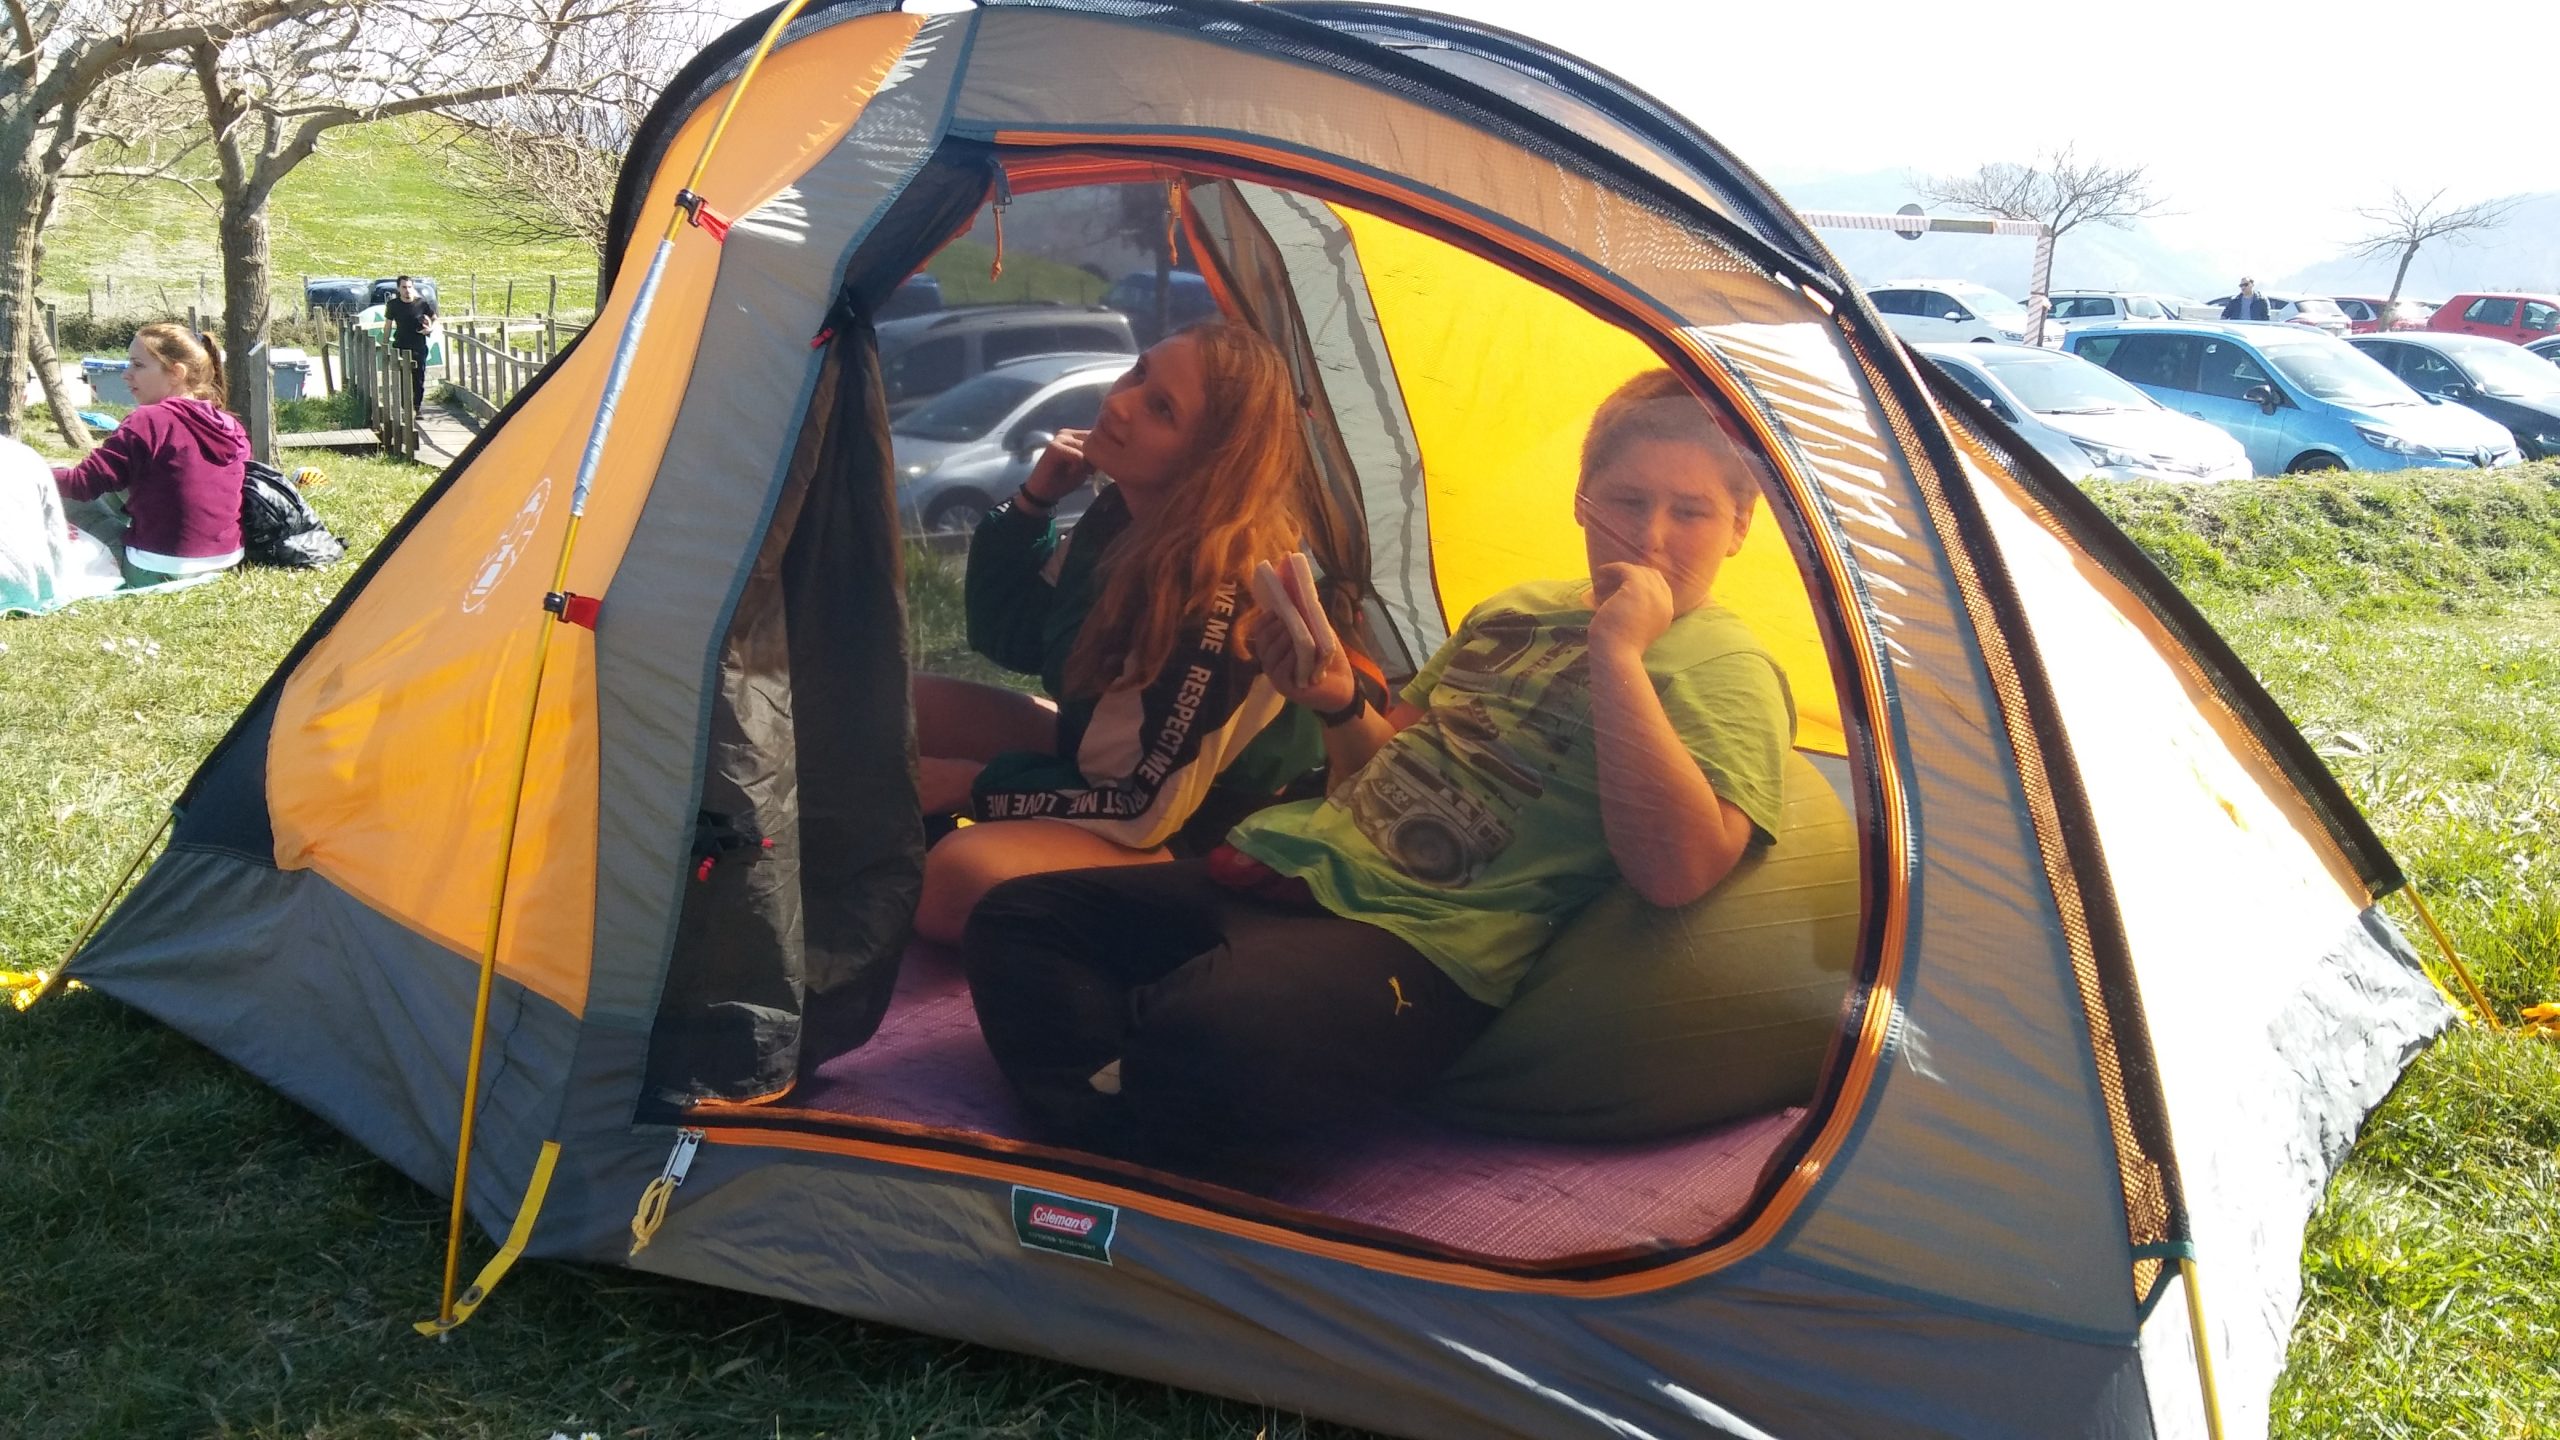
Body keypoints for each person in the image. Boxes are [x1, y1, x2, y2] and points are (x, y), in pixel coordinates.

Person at [963, 369, 1797, 1156]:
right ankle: (1130, 1112)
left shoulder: (1727, 667)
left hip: (1423, 944)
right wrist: (1334, 702)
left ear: (1740, 527)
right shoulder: (1513, 609)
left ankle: (1122, 1091)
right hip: (1299, 868)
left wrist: (1617, 651)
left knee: (1210, 1027)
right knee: (1018, 918)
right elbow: (1381, 766)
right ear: (1583, 503)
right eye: (1627, 501)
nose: (1651, 537)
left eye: (1691, 512)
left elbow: (1677, 873)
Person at [908, 321, 1360, 945]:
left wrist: (972, 785)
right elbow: (1011, 636)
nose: (1120, 402)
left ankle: (1161, 924)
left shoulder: (1221, 594)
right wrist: (1033, 505)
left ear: (1210, 462)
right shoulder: (1123, 511)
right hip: (1106, 762)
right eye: (1140, 372)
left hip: (1198, 830)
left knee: (955, 879)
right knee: (904, 706)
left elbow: (1139, 809)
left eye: (1161, 409)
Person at [52, 323, 249, 585]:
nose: (126, 375)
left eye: (138, 365)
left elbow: (81, 485)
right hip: (226, 561)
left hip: (155, 568)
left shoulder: (148, 420)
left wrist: (26, 470)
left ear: (176, 373)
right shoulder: (230, 425)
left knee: (58, 490)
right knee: (127, 484)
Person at [383, 275, 438, 411]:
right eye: (404, 287)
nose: (407, 290)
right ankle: (405, 408)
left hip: (419, 346)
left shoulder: (421, 303)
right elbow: (388, 325)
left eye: (409, 287)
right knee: (402, 378)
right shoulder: (393, 305)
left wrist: (430, 328)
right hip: (401, 346)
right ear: (398, 288)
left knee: (419, 379)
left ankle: (417, 407)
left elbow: (435, 318)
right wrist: (384, 344)